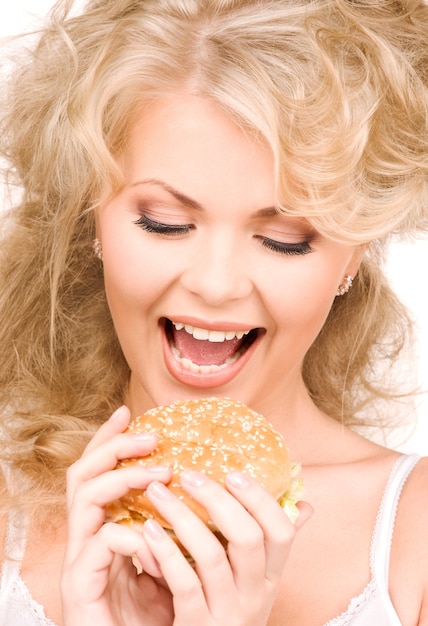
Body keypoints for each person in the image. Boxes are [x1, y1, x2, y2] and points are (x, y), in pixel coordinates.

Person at [0, 0, 427, 624]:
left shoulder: (413, 536)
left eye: (284, 238)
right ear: (93, 219)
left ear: (353, 256)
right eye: (165, 224)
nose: (217, 284)